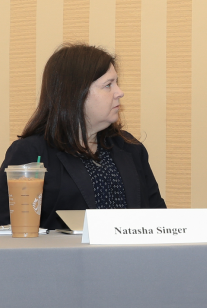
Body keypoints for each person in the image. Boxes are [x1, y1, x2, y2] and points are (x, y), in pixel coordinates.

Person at [0, 44, 166, 230]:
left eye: (117, 83)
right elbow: (7, 228)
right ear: (75, 94)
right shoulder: (30, 153)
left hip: (129, 259)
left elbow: (158, 219)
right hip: (60, 259)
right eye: (108, 85)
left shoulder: (129, 147)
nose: (120, 92)